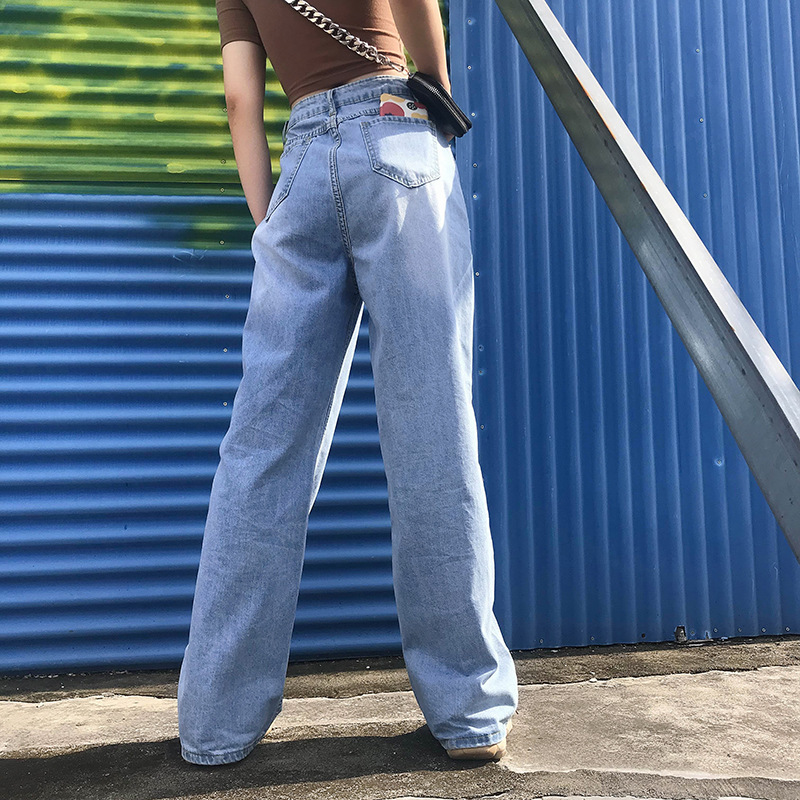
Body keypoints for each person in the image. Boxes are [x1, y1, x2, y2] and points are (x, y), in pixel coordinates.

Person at [176, 0, 519, 766]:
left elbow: (239, 99)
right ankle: (469, 711)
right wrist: (433, 91)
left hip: (300, 163)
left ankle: (214, 724)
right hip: (396, 131)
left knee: (263, 450)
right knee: (432, 425)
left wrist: (270, 220)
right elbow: (416, 13)